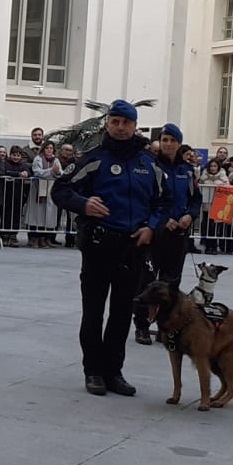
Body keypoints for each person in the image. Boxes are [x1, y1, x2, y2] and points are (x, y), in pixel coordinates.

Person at [51, 100, 167, 397]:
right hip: (99, 245)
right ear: (107, 124)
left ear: (135, 126)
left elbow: (164, 202)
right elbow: (61, 189)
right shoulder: (94, 159)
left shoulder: (149, 163)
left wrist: (152, 227)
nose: (120, 127)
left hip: (132, 248)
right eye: (114, 121)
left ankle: (114, 372)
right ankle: (93, 371)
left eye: (126, 122)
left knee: (121, 313)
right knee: (93, 312)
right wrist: (84, 204)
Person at [131, 123, 201, 345]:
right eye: (165, 140)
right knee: (147, 281)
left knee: (171, 283)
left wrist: (190, 215)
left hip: (178, 235)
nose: (168, 144)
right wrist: (163, 220)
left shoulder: (187, 170)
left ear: (179, 144)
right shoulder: (150, 166)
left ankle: (165, 326)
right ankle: (142, 325)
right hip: (155, 234)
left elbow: (195, 199)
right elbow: (146, 199)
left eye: (172, 140)